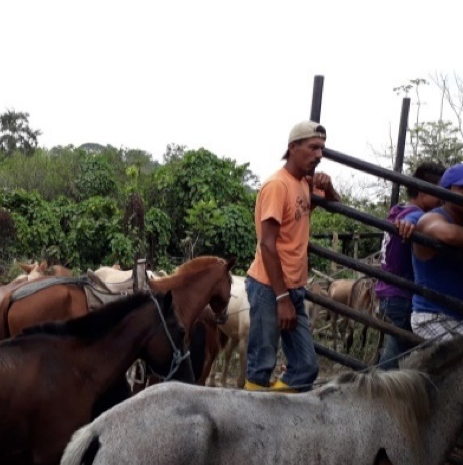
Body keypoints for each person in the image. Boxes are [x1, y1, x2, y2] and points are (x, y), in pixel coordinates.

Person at [244, 121, 340, 393]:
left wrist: (328, 188)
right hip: (269, 287)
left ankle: (271, 412)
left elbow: (335, 205)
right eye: (313, 148)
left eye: (321, 148)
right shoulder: (278, 186)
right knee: (261, 367)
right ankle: (251, 426)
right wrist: (281, 297)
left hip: (294, 288)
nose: (319, 155)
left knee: (306, 367)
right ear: (292, 148)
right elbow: (267, 243)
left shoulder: (304, 184)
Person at [376, 162, 445, 370]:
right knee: (396, 353)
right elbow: (416, 223)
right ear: (424, 191)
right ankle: (376, 390)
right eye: (440, 194)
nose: (443, 201)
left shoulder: (398, 210)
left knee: (399, 347)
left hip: (387, 291)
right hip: (402, 294)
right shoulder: (415, 218)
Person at [410, 163, 463, 340]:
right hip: (433, 317)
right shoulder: (432, 218)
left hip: (457, 318)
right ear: (446, 192)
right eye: (462, 188)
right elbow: (448, 234)